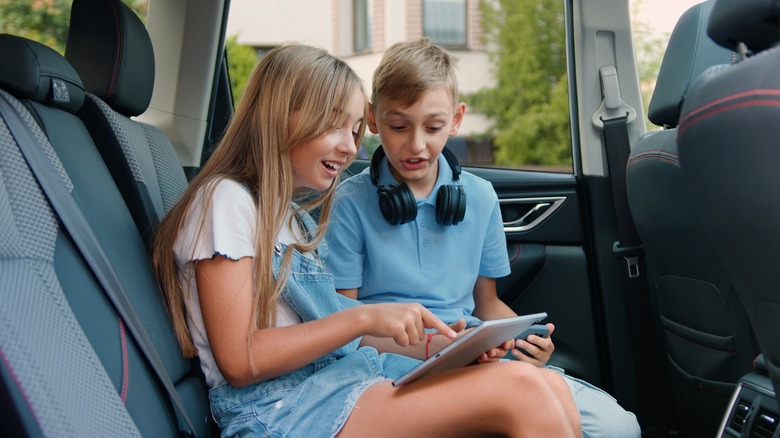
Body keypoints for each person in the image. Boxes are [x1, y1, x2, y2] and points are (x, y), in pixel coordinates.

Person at [152, 44, 582, 437]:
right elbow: (241, 361)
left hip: (333, 383)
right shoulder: (225, 201)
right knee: (522, 390)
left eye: (356, 129)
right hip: (280, 410)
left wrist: (447, 347)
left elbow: (341, 337)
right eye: (334, 126)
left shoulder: (288, 217)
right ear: (281, 117)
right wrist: (364, 317)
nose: (350, 147)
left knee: (548, 387)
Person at [325, 38, 641, 438]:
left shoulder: (478, 196)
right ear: (372, 119)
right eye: (398, 126)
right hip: (388, 362)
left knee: (620, 427)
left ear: (457, 120)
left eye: (434, 127)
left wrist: (525, 342)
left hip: (470, 352)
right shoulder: (349, 204)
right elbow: (342, 328)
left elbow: (487, 305)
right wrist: (433, 347)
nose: (416, 144)